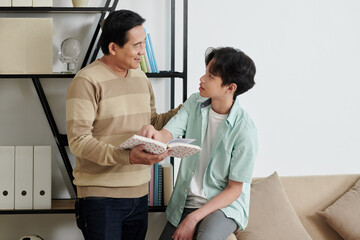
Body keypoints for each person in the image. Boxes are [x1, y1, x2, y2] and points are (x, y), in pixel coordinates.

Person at [66, 10, 181, 240]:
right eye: (137, 45)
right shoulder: (86, 81)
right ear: (113, 48)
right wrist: (125, 157)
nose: (142, 51)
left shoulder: (140, 77)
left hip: (139, 196)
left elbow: (151, 122)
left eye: (144, 43)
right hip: (101, 199)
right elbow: (78, 142)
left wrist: (185, 111)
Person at [139, 47, 258, 240]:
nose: (202, 79)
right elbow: (168, 133)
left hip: (223, 207)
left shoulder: (245, 130)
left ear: (230, 88)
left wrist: (193, 218)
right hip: (186, 201)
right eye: (205, 72)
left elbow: (234, 190)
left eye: (210, 76)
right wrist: (152, 134)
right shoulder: (195, 102)